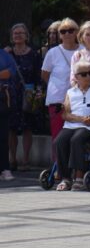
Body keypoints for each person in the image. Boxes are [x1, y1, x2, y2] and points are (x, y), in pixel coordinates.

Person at [52, 59, 90, 190]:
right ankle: (65, 178)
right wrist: (80, 119)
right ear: (76, 77)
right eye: (84, 74)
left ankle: (79, 176)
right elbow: (65, 114)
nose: (88, 76)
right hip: (72, 124)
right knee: (59, 141)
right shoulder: (70, 92)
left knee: (76, 140)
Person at [6, 24, 40, 171]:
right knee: (11, 129)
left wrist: (39, 90)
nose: (18, 35)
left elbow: (38, 74)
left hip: (27, 94)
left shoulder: (34, 54)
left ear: (26, 36)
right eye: (15, 33)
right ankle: (12, 158)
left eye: (21, 33)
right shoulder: (8, 54)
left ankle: (25, 160)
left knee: (27, 128)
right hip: (11, 95)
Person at [42, 18, 80, 138]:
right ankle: (57, 158)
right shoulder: (52, 53)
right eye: (63, 31)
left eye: (71, 30)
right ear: (60, 35)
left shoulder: (84, 50)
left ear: (77, 33)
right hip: (58, 100)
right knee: (58, 137)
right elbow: (44, 74)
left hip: (78, 100)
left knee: (75, 137)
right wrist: (57, 86)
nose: (67, 33)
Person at [0, 47, 18, 181]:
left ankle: (5, 168)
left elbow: (10, 72)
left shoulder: (4, 54)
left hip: (2, 97)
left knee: (3, 135)